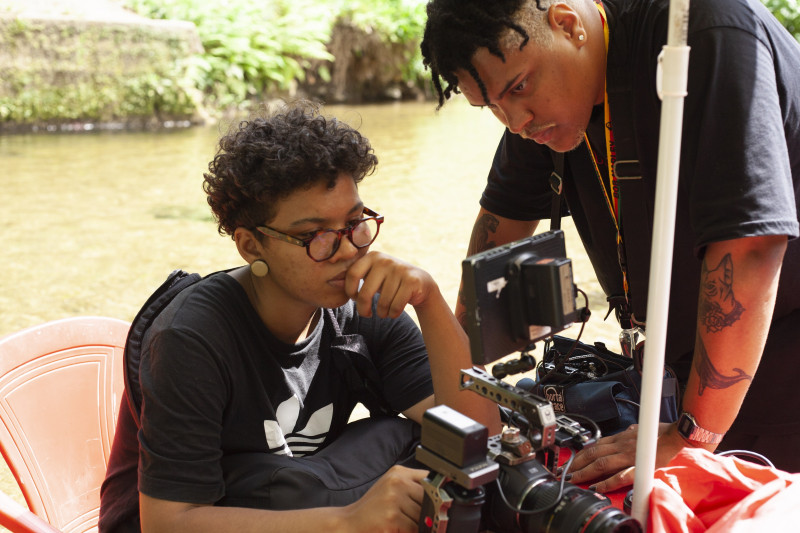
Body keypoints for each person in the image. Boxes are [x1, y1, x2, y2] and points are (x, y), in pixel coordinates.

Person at [420, 0, 800, 492]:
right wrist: (460, 401)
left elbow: (750, 248)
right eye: (490, 106)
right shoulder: (543, 108)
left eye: (517, 88)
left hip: (780, 362)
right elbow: (497, 234)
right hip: (683, 371)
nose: (514, 120)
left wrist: (692, 435)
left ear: (566, 23)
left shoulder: (704, 30)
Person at [98, 100, 500, 533]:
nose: (347, 250)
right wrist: (346, 520)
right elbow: (167, 522)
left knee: (428, 444)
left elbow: (481, 432)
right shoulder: (192, 338)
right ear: (251, 246)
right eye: (315, 236)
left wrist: (430, 300)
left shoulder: (362, 305)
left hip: (304, 500)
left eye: (355, 222)